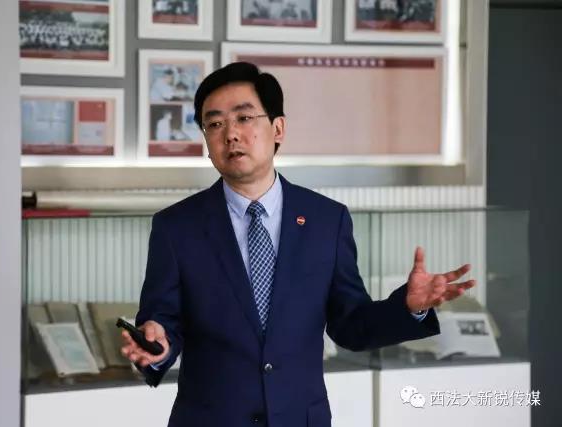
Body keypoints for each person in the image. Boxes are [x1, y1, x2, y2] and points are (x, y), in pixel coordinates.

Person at [121, 62, 475, 426]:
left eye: (244, 118)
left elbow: (351, 324)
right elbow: (161, 320)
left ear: (278, 128)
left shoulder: (327, 220)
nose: (230, 134)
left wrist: (408, 307)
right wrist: (157, 345)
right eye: (214, 124)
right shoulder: (176, 227)